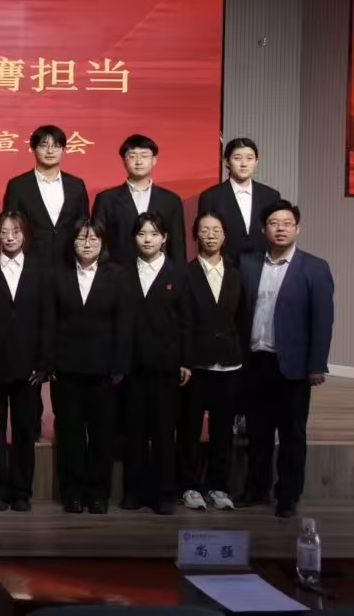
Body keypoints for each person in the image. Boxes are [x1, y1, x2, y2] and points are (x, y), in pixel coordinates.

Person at [239, 200, 334, 518]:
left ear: (298, 228)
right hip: (256, 360)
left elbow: (322, 320)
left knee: (292, 434)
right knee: (258, 432)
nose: (280, 229)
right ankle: (256, 489)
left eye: (287, 223)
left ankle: (288, 495)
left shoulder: (314, 267)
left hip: (292, 365)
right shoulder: (248, 264)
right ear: (263, 229)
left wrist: (316, 364)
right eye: (274, 223)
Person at [48, 218, 131, 515]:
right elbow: (49, 322)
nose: (87, 244)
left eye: (94, 239)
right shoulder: (58, 274)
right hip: (66, 369)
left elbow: (124, 324)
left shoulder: (117, 275)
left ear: (102, 243)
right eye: (81, 238)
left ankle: (97, 495)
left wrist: (119, 366)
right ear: (72, 243)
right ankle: (71, 493)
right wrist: (50, 362)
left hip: (104, 371)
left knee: (101, 436)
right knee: (70, 435)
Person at [119, 212, 194, 516]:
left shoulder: (179, 274)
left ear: (164, 238)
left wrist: (186, 360)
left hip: (166, 366)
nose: (147, 239)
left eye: (153, 233)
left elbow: (187, 322)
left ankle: (164, 493)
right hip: (133, 365)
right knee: (134, 430)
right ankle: (134, 491)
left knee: (164, 432)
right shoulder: (123, 272)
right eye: (141, 234)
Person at [0, 211, 48, 513]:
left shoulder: (40, 271)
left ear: (25, 235)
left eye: (15, 232)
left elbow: (47, 320)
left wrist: (42, 364)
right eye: (4, 232)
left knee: (24, 431)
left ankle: (21, 492)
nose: (9, 237)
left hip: (28, 367)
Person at [178, 211, 251, 512]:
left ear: (224, 236)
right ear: (196, 235)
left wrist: (243, 360)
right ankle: (189, 486)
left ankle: (219, 486)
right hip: (196, 365)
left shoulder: (236, 275)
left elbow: (243, 321)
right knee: (190, 429)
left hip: (230, 365)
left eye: (216, 230)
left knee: (223, 430)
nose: (210, 235)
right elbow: (180, 322)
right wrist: (183, 360)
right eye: (205, 230)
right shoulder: (185, 274)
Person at [92, 135, 187, 267]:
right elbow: (99, 242)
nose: (139, 161)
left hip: (159, 273)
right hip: (117, 273)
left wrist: (179, 275)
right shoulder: (106, 199)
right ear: (124, 161)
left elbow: (177, 246)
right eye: (132, 156)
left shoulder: (170, 200)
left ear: (154, 160)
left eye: (144, 156)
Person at [2, 126, 90, 268]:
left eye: (56, 146)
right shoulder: (17, 186)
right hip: (30, 263)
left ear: (63, 150)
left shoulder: (76, 185)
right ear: (33, 149)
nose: (50, 151)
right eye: (44, 146)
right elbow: (10, 225)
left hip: (69, 262)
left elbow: (84, 223)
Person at [197, 138, 282, 267]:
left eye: (249, 158)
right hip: (224, 267)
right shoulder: (211, 196)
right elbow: (204, 237)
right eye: (237, 158)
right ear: (227, 162)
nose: (244, 164)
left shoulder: (271, 196)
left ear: (256, 162)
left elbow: (276, 234)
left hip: (264, 266)